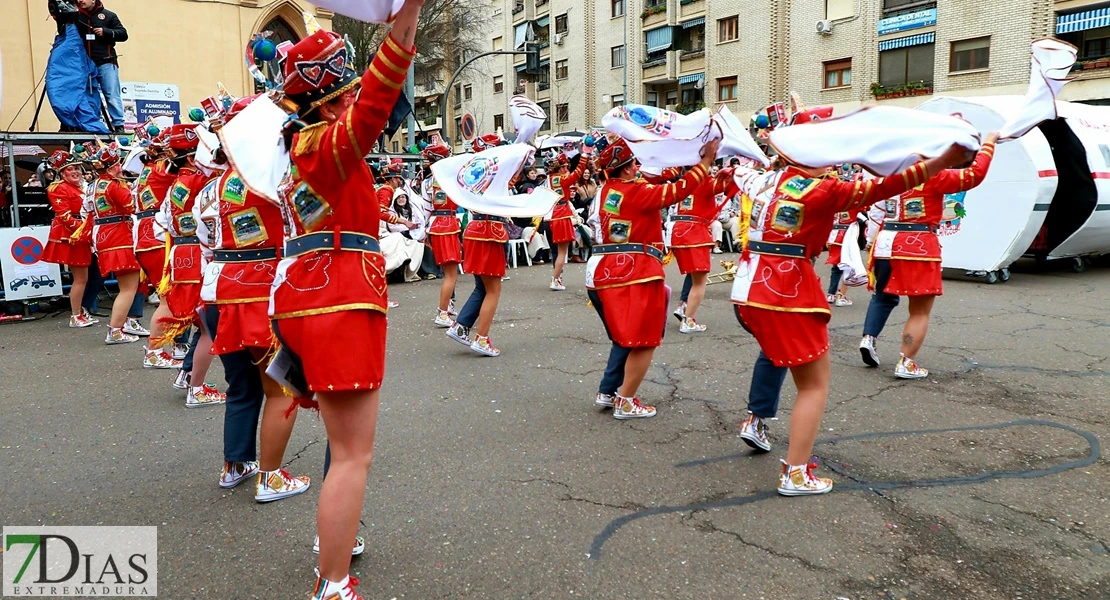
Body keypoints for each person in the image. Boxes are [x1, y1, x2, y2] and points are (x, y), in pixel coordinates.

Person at [729, 107, 974, 496]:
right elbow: (887, 186)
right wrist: (943, 160)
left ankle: (756, 421)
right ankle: (794, 473)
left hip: (746, 290)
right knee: (814, 386)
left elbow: (733, 173)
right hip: (787, 291)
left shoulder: (762, 181)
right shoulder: (824, 189)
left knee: (776, 356)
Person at [266, 5, 422, 596]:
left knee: (343, 449)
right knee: (353, 454)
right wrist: (408, 13)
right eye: (348, 93)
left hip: (308, 296)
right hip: (339, 296)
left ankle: (335, 548)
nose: (359, 101)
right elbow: (383, 95)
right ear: (332, 103)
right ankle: (331, 583)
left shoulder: (301, 148)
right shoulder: (326, 145)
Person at [195, 92, 311, 506]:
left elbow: (206, 240)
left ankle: (235, 465)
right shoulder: (271, 177)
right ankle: (271, 476)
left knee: (242, 386)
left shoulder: (210, 188)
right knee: (282, 388)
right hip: (263, 291)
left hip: (220, 290)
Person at [588, 136, 717, 419]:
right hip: (635, 272)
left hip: (607, 270)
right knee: (644, 340)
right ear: (626, 168)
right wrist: (705, 162)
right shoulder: (635, 191)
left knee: (625, 339)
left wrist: (678, 155)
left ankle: (610, 391)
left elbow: (661, 177)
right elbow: (676, 190)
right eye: (635, 162)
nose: (639, 166)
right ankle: (626, 399)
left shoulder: (611, 188)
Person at [859, 133, 998, 378]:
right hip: (918, 245)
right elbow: (974, 175)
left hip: (885, 243)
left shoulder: (890, 175)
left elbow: (876, 213)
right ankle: (906, 362)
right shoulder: (932, 174)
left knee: (882, 297)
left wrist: (871, 242)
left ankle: (869, 339)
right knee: (919, 311)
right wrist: (989, 144)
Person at [153, 123, 225, 408]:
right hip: (197, 253)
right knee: (208, 325)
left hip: (183, 252)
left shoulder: (179, 181)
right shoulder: (199, 181)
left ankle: (187, 374)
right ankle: (196, 388)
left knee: (201, 321)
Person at [670, 165, 738, 334]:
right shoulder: (704, 181)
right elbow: (730, 186)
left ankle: (683, 305)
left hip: (678, 231)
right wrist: (732, 172)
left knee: (694, 273)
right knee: (700, 282)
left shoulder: (683, 181)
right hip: (695, 232)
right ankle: (689, 321)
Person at [132, 125, 179, 369]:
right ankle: (154, 351)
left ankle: (173, 345)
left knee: (171, 296)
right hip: (157, 237)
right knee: (168, 298)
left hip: (147, 235)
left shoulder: (148, 169)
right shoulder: (162, 168)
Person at [86, 141, 142, 343]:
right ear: (112, 166)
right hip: (118, 236)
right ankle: (116, 329)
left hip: (104, 235)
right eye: (118, 163)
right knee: (128, 287)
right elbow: (132, 206)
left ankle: (119, 327)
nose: (121, 166)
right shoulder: (115, 186)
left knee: (125, 285)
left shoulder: (94, 185)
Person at [40, 150, 96, 327]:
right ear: (62, 173)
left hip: (82, 233)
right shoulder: (58, 188)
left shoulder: (82, 187)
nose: (75, 172)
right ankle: (75, 315)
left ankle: (79, 312)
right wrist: (87, 231)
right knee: (81, 278)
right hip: (72, 236)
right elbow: (65, 216)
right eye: (70, 169)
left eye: (77, 168)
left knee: (85, 277)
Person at [422, 142, 463, 327]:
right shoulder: (452, 179)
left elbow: (425, 209)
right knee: (451, 274)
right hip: (448, 226)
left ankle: (448, 305)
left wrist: (423, 230)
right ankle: (442, 312)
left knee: (449, 272)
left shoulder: (426, 181)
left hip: (436, 225)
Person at [75, 0, 127, 133]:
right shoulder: (75, 16)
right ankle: (92, 124)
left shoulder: (109, 15)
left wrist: (107, 32)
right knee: (89, 95)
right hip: (85, 65)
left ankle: (119, 125)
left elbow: (123, 34)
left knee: (111, 94)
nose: (80, 0)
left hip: (106, 61)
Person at [544, 152, 589, 291]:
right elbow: (578, 172)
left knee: (558, 251)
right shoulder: (563, 178)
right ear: (560, 168)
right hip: (563, 215)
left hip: (552, 214)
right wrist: (585, 156)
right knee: (562, 253)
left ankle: (556, 278)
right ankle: (555, 279)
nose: (566, 169)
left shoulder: (551, 178)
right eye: (564, 167)